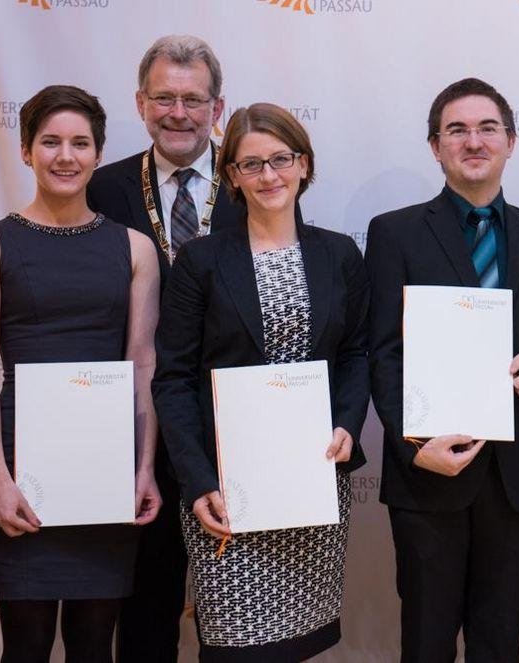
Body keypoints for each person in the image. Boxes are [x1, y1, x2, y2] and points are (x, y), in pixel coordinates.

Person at [365, 77, 519, 663]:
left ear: (511, 141)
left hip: (517, 478)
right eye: (456, 130)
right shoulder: (394, 233)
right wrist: (412, 446)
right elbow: (381, 352)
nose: (473, 141)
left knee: (499, 645)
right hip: (427, 473)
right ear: (435, 146)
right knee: (426, 645)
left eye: (488, 128)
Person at [152, 102, 369, 661]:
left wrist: (347, 423)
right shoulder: (200, 261)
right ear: (231, 177)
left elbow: (355, 355)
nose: (268, 175)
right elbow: (173, 379)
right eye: (251, 164)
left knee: (301, 644)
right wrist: (198, 482)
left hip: (312, 480)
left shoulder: (339, 254)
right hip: (226, 491)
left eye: (280, 159)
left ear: (303, 165)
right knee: (235, 646)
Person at [0, 85, 161, 662]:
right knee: (25, 645)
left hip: (104, 468)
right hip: (20, 465)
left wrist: (145, 468)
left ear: (99, 153)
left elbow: (143, 365)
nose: (66, 155)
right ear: (27, 151)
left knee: (93, 645)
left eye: (80, 143)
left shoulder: (135, 248)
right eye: (50, 141)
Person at [86, 35, 241, 661]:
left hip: (234, 429)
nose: (178, 112)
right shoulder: (103, 188)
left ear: (217, 107)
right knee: (145, 611)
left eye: (193, 100)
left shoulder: (254, 180)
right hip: (138, 430)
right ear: (140, 103)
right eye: (164, 98)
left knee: (235, 618)